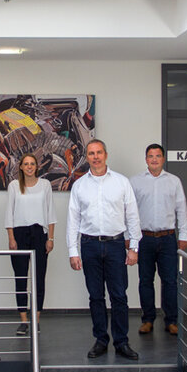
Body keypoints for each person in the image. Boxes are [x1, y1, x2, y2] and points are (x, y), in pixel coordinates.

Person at [66, 139, 141, 360]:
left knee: (119, 296)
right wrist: (73, 251)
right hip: (89, 245)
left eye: (99, 152)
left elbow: (133, 216)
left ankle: (121, 342)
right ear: (87, 157)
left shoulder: (121, 182)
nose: (96, 157)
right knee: (96, 296)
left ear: (106, 155)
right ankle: (100, 340)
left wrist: (134, 247)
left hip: (116, 245)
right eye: (91, 153)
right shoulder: (79, 185)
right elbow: (73, 220)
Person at [129, 144, 187, 336]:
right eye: (150, 156)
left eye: (157, 156)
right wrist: (129, 238)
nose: (154, 159)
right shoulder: (135, 182)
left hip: (167, 238)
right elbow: (128, 212)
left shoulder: (174, 181)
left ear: (163, 159)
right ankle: (147, 320)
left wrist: (184, 236)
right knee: (145, 280)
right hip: (144, 238)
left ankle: (171, 321)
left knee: (170, 281)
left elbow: (182, 210)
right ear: (146, 159)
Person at [4, 153, 56, 336]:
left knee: (39, 279)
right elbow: (9, 213)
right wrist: (11, 238)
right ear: (20, 167)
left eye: (32, 164)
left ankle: (36, 320)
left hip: (39, 234)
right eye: (26, 164)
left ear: (36, 166)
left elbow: (50, 212)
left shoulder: (45, 185)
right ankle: (24, 321)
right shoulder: (14, 186)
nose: (29, 167)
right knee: (20, 278)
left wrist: (50, 238)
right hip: (19, 235)